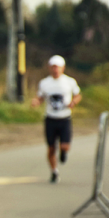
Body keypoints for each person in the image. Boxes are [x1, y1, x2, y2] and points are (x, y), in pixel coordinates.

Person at [31, 55, 82, 183]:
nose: (55, 70)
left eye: (57, 67)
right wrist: (36, 101)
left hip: (64, 118)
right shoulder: (44, 83)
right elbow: (41, 97)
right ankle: (54, 171)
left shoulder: (69, 82)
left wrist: (73, 102)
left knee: (64, 146)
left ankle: (63, 153)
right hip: (50, 118)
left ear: (62, 68)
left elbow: (78, 95)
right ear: (49, 68)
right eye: (53, 67)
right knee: (51, 148)